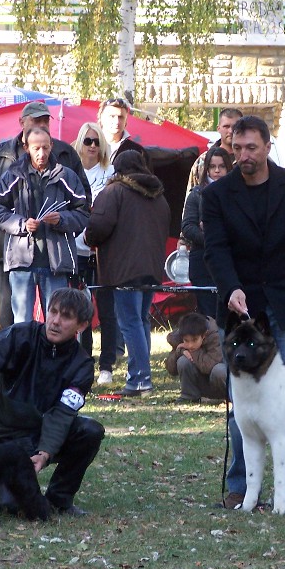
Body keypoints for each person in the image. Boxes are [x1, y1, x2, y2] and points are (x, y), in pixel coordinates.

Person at [202, 115, 285, 511]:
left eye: (251, 148)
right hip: (240, 309)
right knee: (243, 403)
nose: (243, 155)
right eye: (237, 148)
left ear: (268, 147)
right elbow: (215, 249)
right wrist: (231, 287)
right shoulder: (217, 194)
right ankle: (241, 487)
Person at [0, 287, 103, 517]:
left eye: (66, 316)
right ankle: (2, 493)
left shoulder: (82, 365)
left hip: (41, 435)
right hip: (3, 439)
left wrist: (45, 453)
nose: (55, 321)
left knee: (90, 430)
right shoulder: (21, 334)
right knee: (10, 507)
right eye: (53, 312)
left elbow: (63, 413)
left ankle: (59, 500)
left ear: (82, 325)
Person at [0, 101, 90, 330]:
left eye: (45, 120)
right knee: (15, 319)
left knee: (57, 319)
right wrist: (9, 228)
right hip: (15, 254)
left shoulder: (66, 164)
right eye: (36, 120)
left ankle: (53, 354)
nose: (42, 152)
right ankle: (17, 354)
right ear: (26, 142)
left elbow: (83, 206)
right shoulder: (4, 161)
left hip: (56, 259)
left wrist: (63, 221)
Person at [84, 149, 170, 397]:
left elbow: (98, 226)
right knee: (141, 321)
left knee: (130, 323)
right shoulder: (158, 196)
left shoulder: (114, 192)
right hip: (150, 268)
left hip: (124, 269)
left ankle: (140, 380)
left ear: (118, 169)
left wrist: (89, 238)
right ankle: (142, 376)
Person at [71, 122, 118, 385]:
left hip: (103, 251)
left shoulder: (110, 172)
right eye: (87, 140)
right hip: (75, 249)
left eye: (97, 141)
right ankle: (83, 360)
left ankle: (107, 365)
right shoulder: (71, 171)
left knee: (107, 310)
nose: (92, 146)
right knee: (80, 309)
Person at [182, 146, 233, 316]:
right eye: (212, 166)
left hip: (231, 261)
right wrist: (212, 238)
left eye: (222, 166)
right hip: (203, 261)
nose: (217, 171)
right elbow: (188, 227)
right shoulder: (197, 194)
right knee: (208, 313)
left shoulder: (237, 193)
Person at [165, 312, 227, 403]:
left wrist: (192, 352)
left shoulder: (216, 335)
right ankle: (189, 396)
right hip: (202, 384)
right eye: (186, 340)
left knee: (219, 370)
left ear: (204, 335)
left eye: (194, 340)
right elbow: (171, 369)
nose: (190, 345)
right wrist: (179, 351)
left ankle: (227, 398)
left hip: (219, 382)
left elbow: (209, 365)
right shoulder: (183, 332)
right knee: (183, 361)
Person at [187, 108, 243, 192]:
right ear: (218, 128)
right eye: (226, 126)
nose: (231, 131)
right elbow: (192, 195)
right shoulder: (203, 161)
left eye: (235, 127)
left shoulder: (250, 159)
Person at [98, 97, 143, 164]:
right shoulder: (87, 146)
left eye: (121, 117)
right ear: (102, 118)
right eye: (112, 116)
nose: (117, 122)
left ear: (126, 120)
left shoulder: (137, 151)